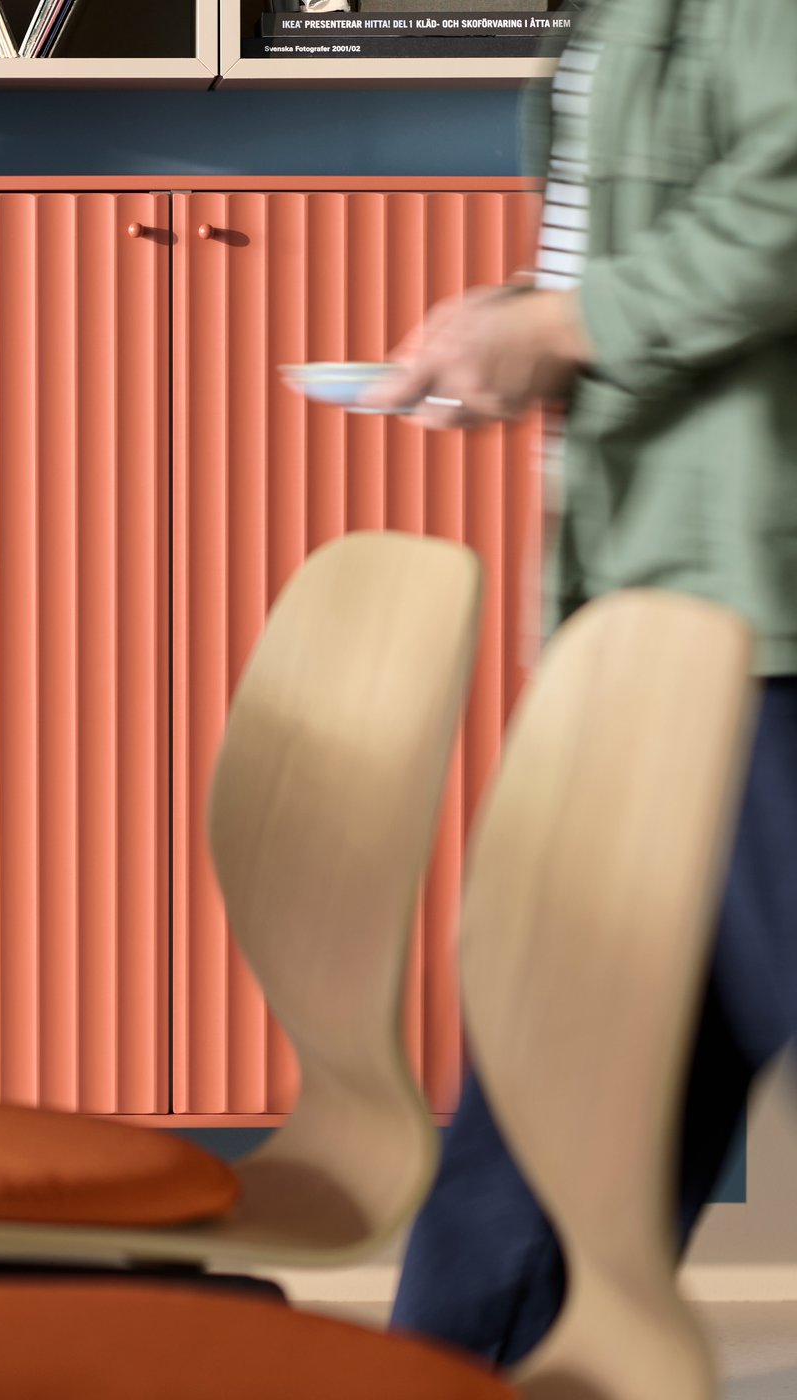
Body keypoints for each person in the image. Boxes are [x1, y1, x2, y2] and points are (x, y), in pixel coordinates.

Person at [362, 0, 797, 1367]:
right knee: (550, 1128)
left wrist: (569, 322)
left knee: (556, 1118)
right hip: (657, 603)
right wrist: (526, 310)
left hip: (757, 620)